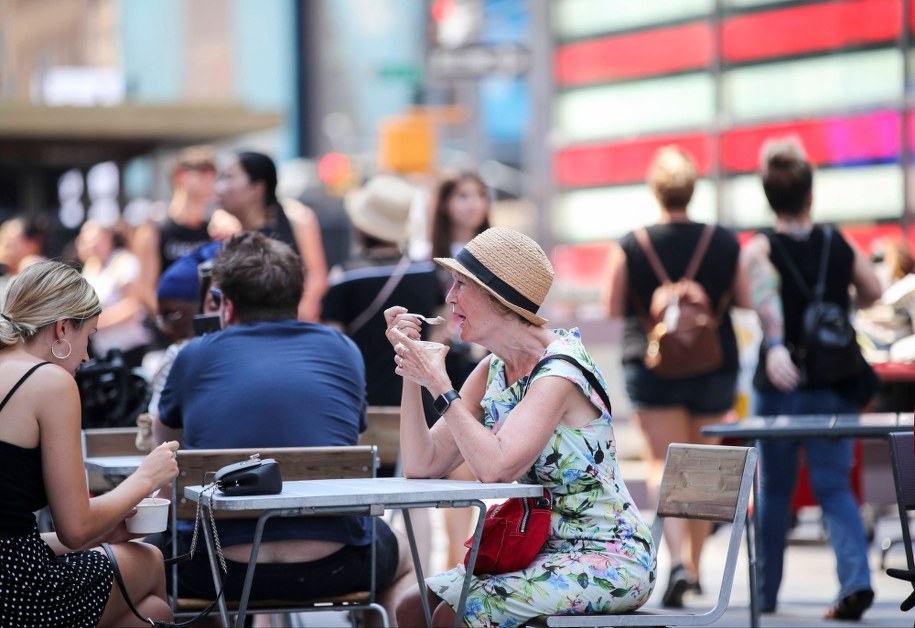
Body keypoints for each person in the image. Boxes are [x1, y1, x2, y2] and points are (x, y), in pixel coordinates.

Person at [389, 227, 654, 627]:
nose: (450, 297)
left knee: (455, 615)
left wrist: (440, 385)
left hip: (608, 555)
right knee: (412, 607)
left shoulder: (560, 370)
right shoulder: (493, 368)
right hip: (539, 550)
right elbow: (422, 463)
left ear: (498, 297)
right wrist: (413, 369)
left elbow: (496, 468)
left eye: (461, 284)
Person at [153, 232, 413, 618]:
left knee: (153, 562)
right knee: (405, 558)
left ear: (226, 304)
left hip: (215, 572)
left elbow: (166, 452)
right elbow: (347, 436)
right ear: (297, 295)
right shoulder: (342, 349)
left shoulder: (192, 356)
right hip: (337, 565)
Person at [600, 145, 750, 607]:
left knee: (662, 465)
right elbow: (745, 298)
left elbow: (612, 306)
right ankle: (698, 568)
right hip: (713, 363)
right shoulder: (724, 241)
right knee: (703, 468)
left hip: (652, 365)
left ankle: (678, 562)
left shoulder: (631, 243)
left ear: (656, 191)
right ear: (692, 189)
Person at [740, 138, 881, 620]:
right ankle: (856, 581)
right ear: (810, 195)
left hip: (780, 386)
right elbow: (874, 290)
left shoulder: (761, 248)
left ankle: (766, 594)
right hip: (835, 383)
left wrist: (778, 345)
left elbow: (766, 299)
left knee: (774, 490)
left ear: (769, 198)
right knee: (834, 486)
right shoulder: (837, 243)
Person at [0, 260, 179, 627]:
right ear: (63, 328)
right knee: (148, 559)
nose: (87, 356)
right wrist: (146, 477)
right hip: (17, 592)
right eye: (89, 336)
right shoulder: (49, 382)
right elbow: (76, 528)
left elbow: (15, 534)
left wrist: (105, 529)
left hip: (13, 573)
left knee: (153, 614)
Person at [322, 174, 444, 413]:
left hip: (362, 402)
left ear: (361, 226)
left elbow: (334, 345)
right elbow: (440, 331)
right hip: (421, 403)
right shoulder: (428, 273)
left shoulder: (344, 277)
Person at [427, 171, 493, 568]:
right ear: (445, 203)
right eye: (463, 196)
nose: (473, 204)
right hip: (445, 365)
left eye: (479, 195)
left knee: (469, 466)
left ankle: (459, 560)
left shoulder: (495, 254)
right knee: (453, 465)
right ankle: (455, 561)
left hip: (482, 363)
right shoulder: (425, 257)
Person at [215, 150, 328, 321]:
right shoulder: (224, 230)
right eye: (220, 178)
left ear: (257, 189)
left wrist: (300, 313)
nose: (218, 188)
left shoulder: (298, 219)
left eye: (228, 177)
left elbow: (317, 275)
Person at [133, 145, 218, 319]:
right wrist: (172, 323)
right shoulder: (154, 230)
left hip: (205, 325)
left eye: (212, 175)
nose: (210, 180)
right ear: (181, 176)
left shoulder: (214, 229)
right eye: (203, 173)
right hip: (168, 326)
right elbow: (145, 290)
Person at [75, 219, 154, 369]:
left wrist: (96, 323)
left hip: (128, 348)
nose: (86, 242)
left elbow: (133, 305)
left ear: (106, 238)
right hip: (102, 350)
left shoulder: (124, 262)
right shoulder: (91, 267)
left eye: (91, 237)